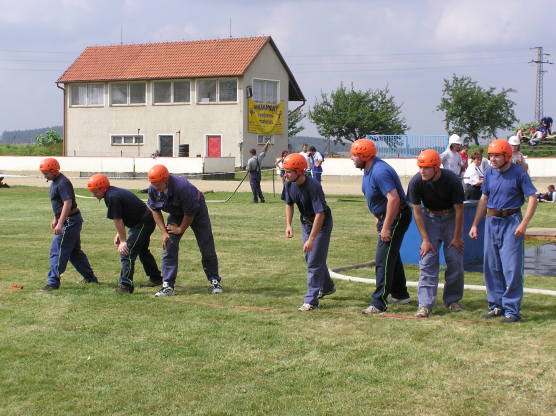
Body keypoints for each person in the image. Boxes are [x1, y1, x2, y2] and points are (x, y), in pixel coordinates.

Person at [469, 139, 537, 323]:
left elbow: (532, 198)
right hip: (492, 221)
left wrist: (524, 224)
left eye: (497, 156)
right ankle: (496, 306)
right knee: (491, 266)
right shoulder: (489, 173)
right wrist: (475, 224)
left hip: (511, 221)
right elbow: (484, 198)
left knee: (511, 267)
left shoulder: (519, 174)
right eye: (490, 155)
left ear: (507, 156)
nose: (492, 159)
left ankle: (511, 310)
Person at [350, 138, 412, 314]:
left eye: (354, 155)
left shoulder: (379, 171)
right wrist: (379, 216)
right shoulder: (369, 169)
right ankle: (400, 294)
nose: (352, 158)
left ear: (364, 156)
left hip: (396, 216)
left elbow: (394, 199)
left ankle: (379, 303)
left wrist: (386, 226)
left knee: (382, 259)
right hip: (386, 216)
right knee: (391, 254)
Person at [147, 164, 223, 296]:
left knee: (206, 245)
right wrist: (164, 232)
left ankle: (214, 281)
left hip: (197, 211)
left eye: (157, 184)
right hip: (176, 213)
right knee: (169, 244)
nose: (155, 187)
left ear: (165, 180)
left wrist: (180, 229)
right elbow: (155, 210)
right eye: (152, 184)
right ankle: (168, 286)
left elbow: (190, 213)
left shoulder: (182, 187)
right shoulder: (153, 189)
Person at [407, 150, 465, 318]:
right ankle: (425, 305)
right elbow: (417, 211)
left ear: (436, 168)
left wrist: (456, 237)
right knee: (427, 260)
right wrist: (425, 240)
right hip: (429, 218)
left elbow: (459, 210)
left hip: (451, 218)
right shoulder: (416, 181)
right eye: (420, 167)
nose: (422, 171)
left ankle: (453, 300)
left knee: (455, 259)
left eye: (426, 168)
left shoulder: (452, 180)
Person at [87, 174, 162, 294]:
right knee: (142, 251)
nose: (93, 195)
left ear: (103, 188)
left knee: (127, 252)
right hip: (142, 221)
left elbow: (118, 219)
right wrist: (119, 234)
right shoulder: (111, 193)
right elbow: (121, 215)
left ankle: (126, 286)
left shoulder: (112, 196)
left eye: (95, 192)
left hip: (143, 223)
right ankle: (156, 278)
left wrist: (123, 241)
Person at [281, 153, 335, 311]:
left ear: (299, 171)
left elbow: (320, 214)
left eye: (288, 171)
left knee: (314, 261)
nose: (285, 174)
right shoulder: (289, 184)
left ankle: (311, 301)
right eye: (284, 171)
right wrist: (288, 224)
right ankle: (327, 286)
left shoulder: (313, 186)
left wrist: (311, 239)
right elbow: (289, 204)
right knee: (311, 257)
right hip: (306, 222)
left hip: (321, 223)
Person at [39, 158, 99, 291]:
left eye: (46, 173)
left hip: (69, 221)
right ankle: (90, 278)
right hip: (70, 219)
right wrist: (56, 218)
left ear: (53, 171)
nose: (44, 176)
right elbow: (59, 203)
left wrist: (60, 223)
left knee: (58, 249)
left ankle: (53, 282)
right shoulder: (56, 181)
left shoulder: (63, 182)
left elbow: (68, 203)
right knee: (74, 252)